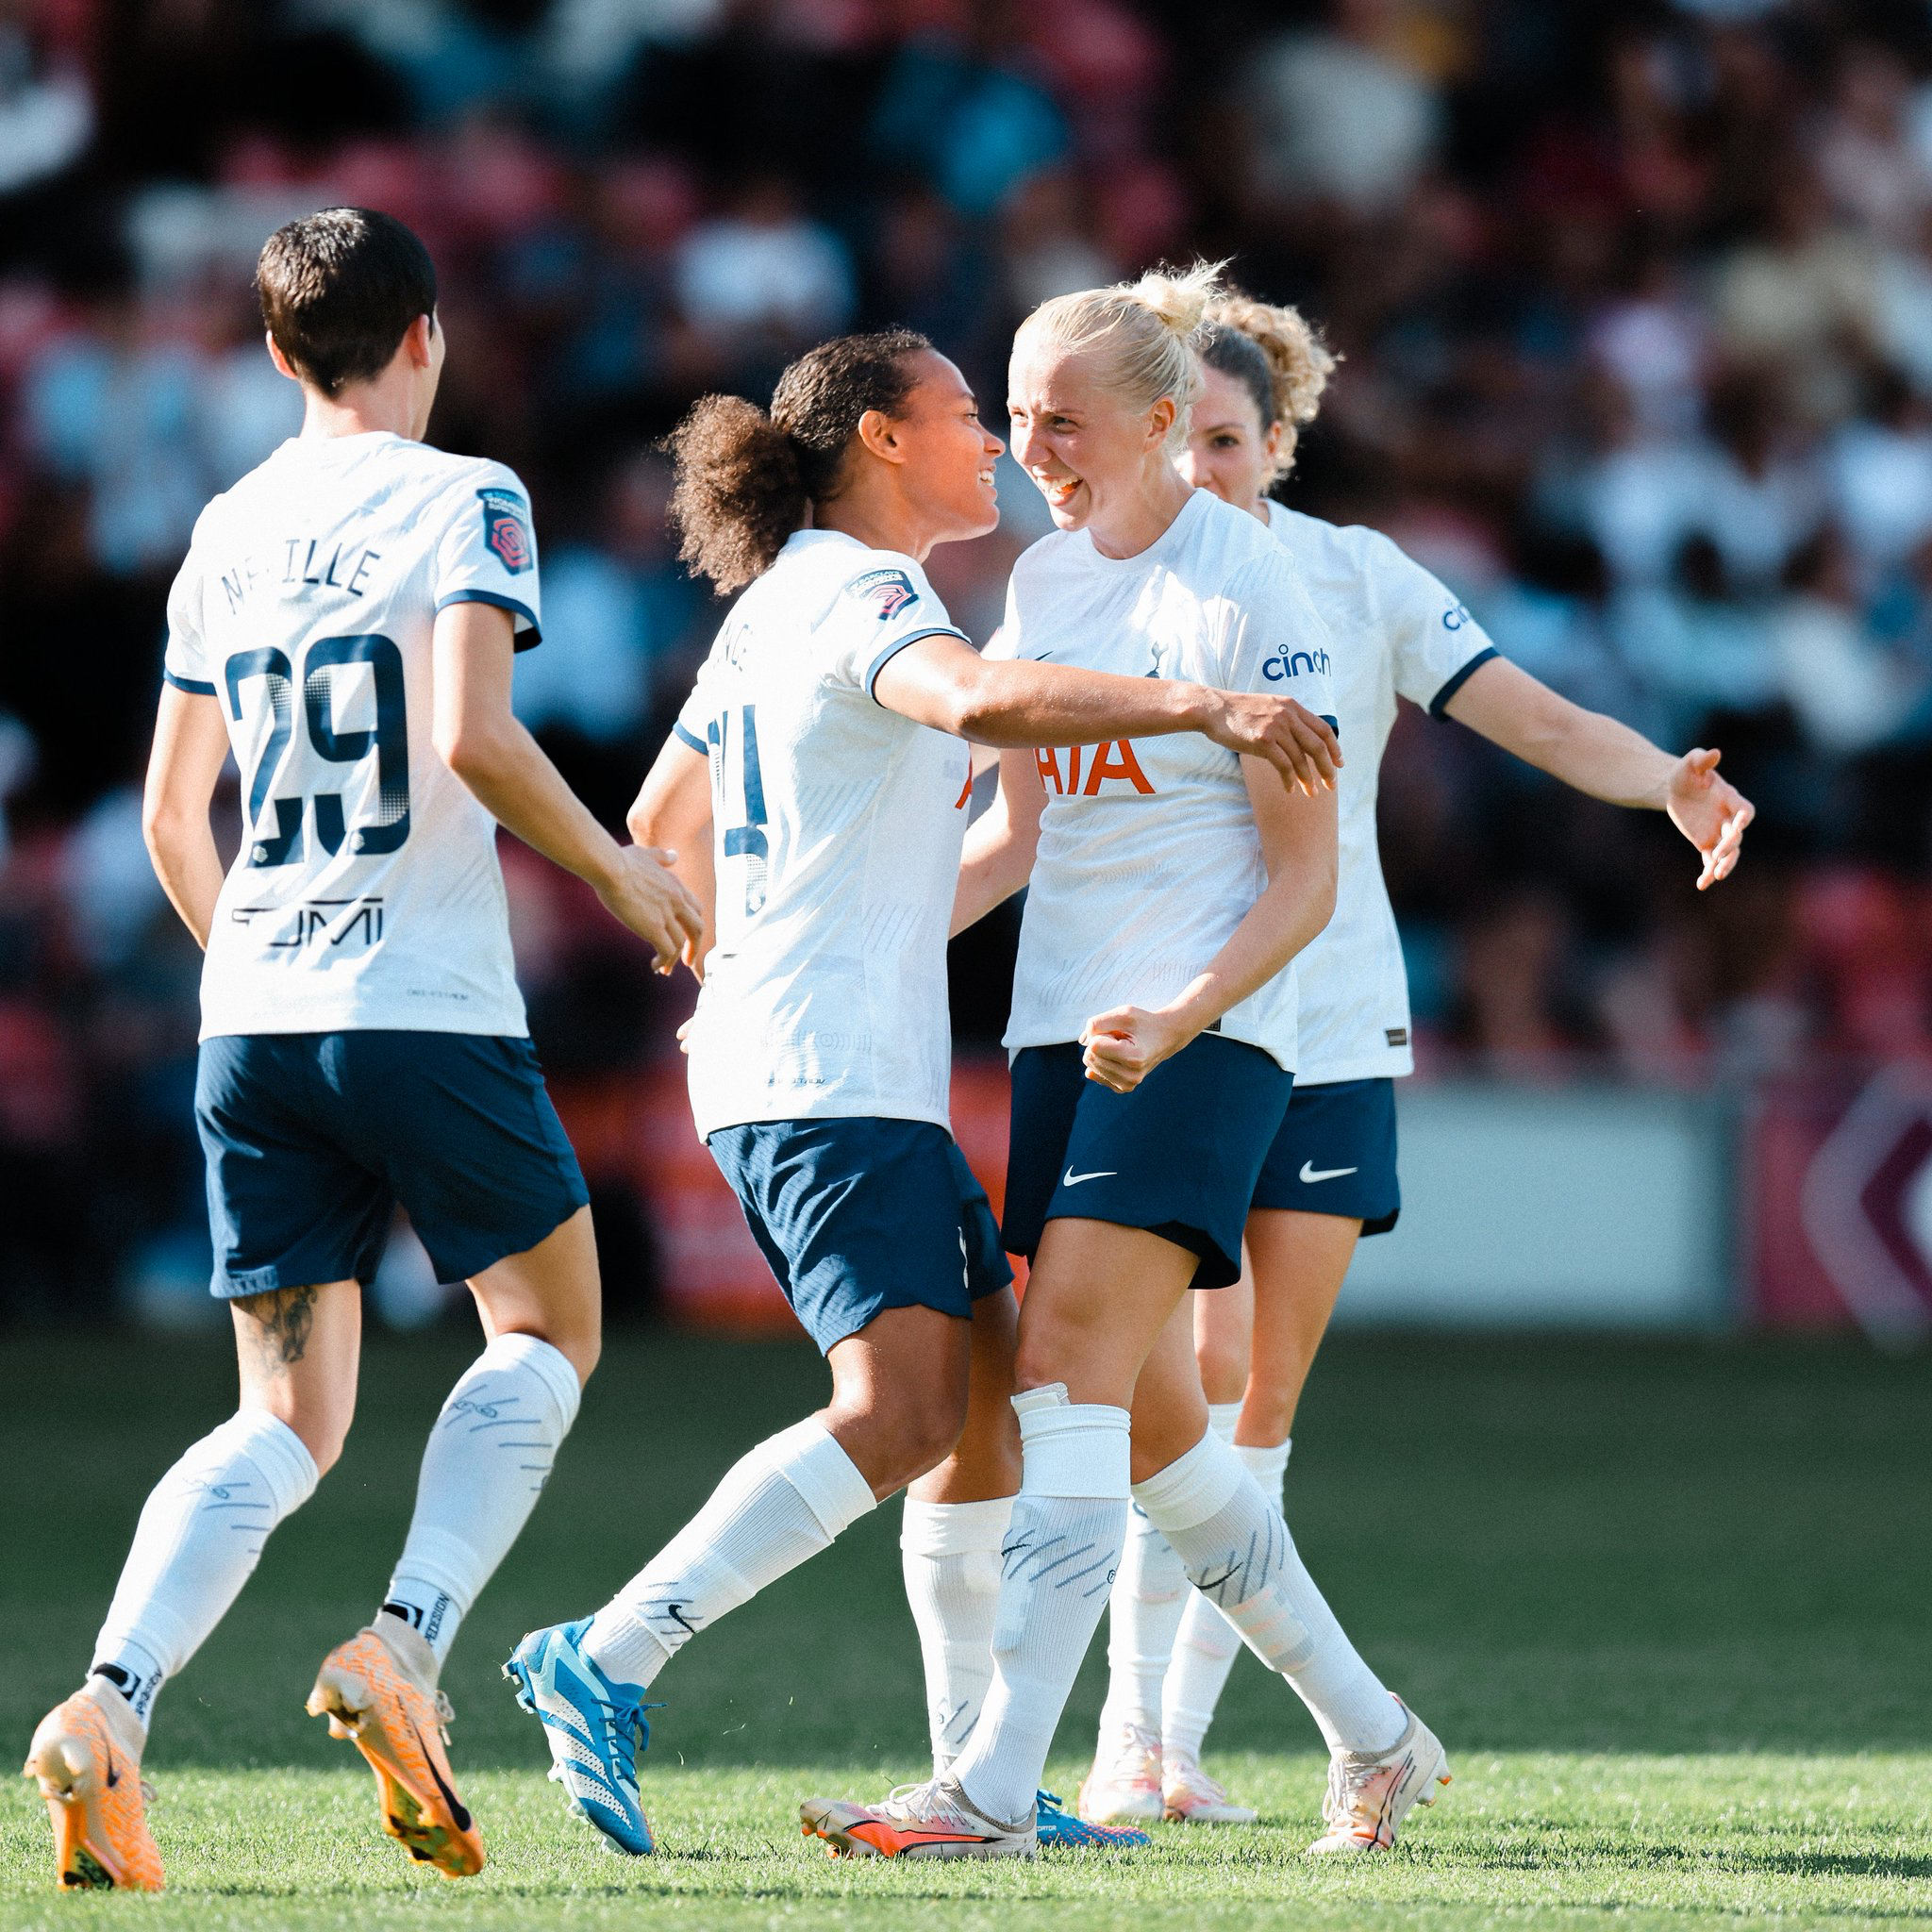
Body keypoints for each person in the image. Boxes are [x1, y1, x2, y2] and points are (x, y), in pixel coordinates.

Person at [502, 329, 1341, 1857]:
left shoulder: (769, 611)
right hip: (826, 1071)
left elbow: (658, 819)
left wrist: (728, 928)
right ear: (883, 440)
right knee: (898, 1410)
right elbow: (972, 705)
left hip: (811, 1056)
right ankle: (608, 1654)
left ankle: (985, 1786)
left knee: (992, 1403)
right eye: (970, 416)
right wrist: (1196, 705)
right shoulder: (867, 590)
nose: (997, 449)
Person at [22, 207, 704, 1893]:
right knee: (550, 1325)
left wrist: (262, 962)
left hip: (253, 1013)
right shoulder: (468, 495)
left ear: (274, 358)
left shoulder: (223, 529)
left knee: (282, 1415)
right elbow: (473, 735)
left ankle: (110, 1705)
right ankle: (405, 1643)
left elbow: (179, 815)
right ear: (429, 335)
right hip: (426, 1005)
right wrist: (617, 867)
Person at [1080, 290, 1757, 1829]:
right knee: (1163, 1386)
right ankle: (1141, 1743)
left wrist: (1667, 785)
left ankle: (1166, 1753)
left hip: (1323, 1019)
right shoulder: (1105, 584)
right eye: (1177, 438)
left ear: (1281, 439)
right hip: (1174, 1015)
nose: (1204, 468)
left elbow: (1532, 717)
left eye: (1232, 439)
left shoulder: (1354, 575)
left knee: (1256, 1393)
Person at [799, 262, 1441, 1863]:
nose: (1033, 449)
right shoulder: (1045, 592)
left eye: (1063, 420)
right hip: (1061, 1037)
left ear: (1164, 421)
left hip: (1203, 1042)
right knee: (1160, 1439)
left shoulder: (1255, 598)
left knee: (1061, 1373)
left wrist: (1183, 1010)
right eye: (1015, 420)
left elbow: (1308, 883)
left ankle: (994, 1792)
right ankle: (1380, 1735)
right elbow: (1017, 838)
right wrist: (856, 950)